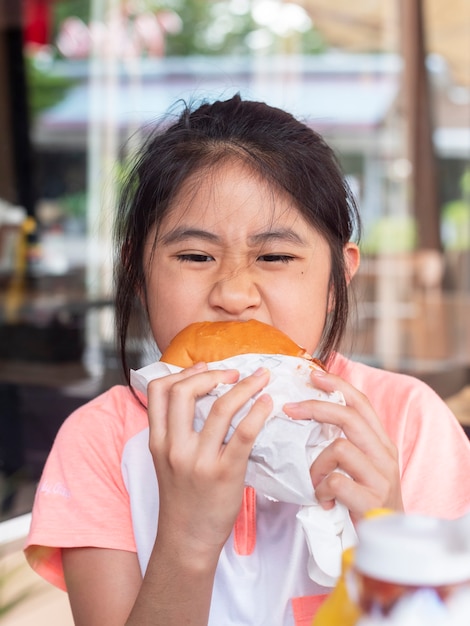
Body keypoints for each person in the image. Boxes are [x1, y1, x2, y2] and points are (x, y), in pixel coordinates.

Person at [25, 94, 470, 626]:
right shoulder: (100, 440)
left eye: (275, 257)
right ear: (137, 274)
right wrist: (188, 539)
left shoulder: (405, 421)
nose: (234, 294)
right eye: (195, 256)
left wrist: (387, 538)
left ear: (338, 277)